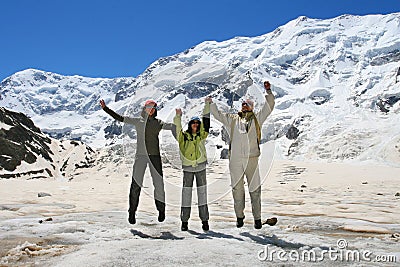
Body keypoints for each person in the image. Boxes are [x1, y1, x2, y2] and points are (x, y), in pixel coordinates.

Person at [209, 81, 275, 229]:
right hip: (236, 160)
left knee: (255, 189)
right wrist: (211, 104)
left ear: (252, 107)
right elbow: (218, 115)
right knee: (237, 189)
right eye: (243, 104)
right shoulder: (233, 119)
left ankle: (257, 219)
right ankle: (240, 217)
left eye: (248, 104)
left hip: (252, 158)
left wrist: (268, 91)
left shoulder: (257, 118)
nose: (245, 105)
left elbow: (269, 106)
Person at [99, 99, 174, 224]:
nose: (151, 109)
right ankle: (132, 212)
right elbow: (121, 118)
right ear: (145, 108)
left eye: (153, 107)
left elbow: (171, 127)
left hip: (155, 157)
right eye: (149, 107)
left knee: (159, 185)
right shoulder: (138, 121)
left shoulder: (158, 123)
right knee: (136, 185)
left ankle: (161, 210)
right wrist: (105, 109)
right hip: (141, 157)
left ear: (155, 110)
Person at [173, 98, 211, 231]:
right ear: (190, 125)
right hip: (188, 169)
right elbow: (177, 129)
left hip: (201, 167)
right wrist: (178, 117)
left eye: (197, 123)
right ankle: (184, 221)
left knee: (202, 195)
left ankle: (205, 221)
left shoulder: (202, 135)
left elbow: (206, 121)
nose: (195, 124)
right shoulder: (183, 137)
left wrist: (207, 105)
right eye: (193, 123)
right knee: (186, 195)